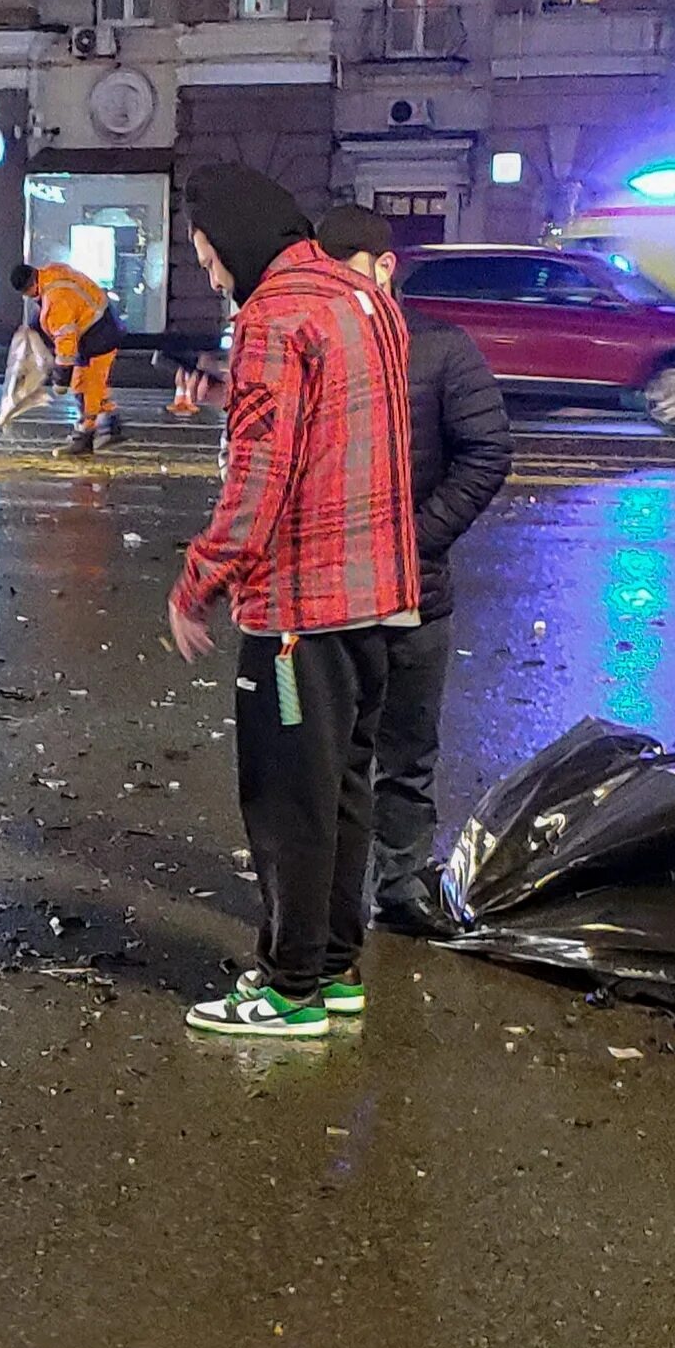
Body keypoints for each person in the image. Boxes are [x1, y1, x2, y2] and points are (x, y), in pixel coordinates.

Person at [167, 164, 423, 1040]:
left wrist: (200, 576)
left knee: (286, 801)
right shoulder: (365, 300)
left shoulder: (274, 317)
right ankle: (337, 966)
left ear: (236, 238)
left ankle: (288, 989)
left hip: (297, 613)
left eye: (208, 256)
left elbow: (260, 478)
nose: (211, 274)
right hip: (378, 599)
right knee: (346, 786)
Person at [312, 202, 513, 935]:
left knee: (408, 752)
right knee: (335, 758)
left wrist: (418, 541)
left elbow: (486, 453)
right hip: (333, 597)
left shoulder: (440, 350)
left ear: (386, 267)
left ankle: (400, 883)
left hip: (415, 595)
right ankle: (332, 902)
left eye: (353, 276)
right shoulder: (320, 347)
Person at [9, 260, 125, 455]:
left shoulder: (55, 301)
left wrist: (61, 377)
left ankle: (86, 436)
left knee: (84, 387)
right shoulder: (53, 272)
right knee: (96, 385)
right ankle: (109, 426)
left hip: (97, 338)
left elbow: (65, 341)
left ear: (30, 288)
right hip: (103, 329)